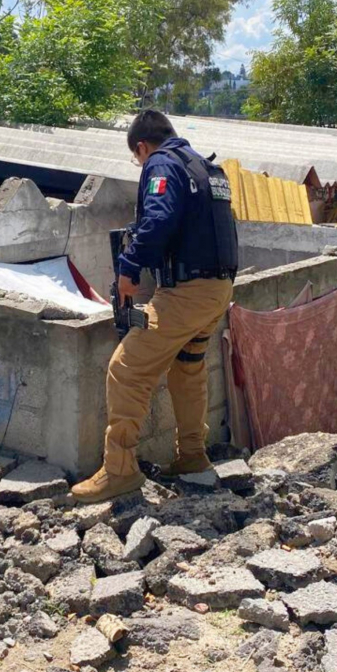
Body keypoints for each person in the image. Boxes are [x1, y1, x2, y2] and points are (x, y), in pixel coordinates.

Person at [71, 109, 238, 503]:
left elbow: (159, 219)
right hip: (218, 288)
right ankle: (192, 456)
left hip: (187, 292)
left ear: (142, 147)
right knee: (188, 367)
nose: (140, 163)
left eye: (137, 158)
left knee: (126, 369)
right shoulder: (204, 167)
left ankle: (119, 470)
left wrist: (129, 269)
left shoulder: (162, 164)